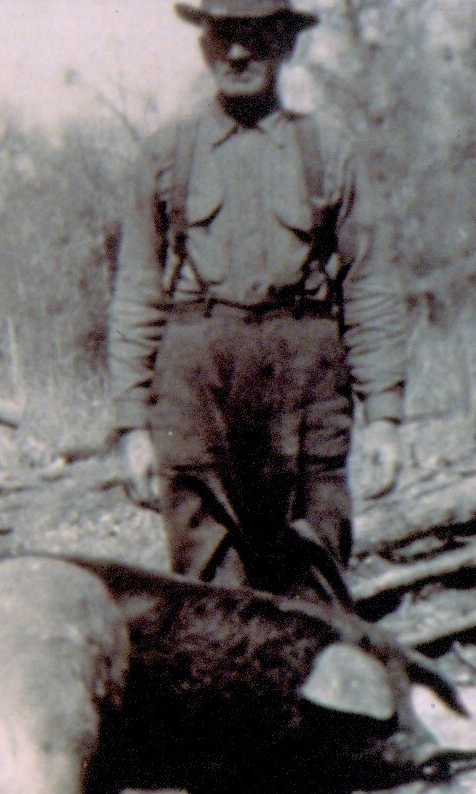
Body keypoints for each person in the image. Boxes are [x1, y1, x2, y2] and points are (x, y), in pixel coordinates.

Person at [108, 0, 406, 605]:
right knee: (207, 587)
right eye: (223, 37)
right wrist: (132, 425)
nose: (238, 54)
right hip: (195, 390)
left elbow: (369, 285)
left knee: (315, 580)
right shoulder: (167, 155)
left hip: (306, 380)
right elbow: (137, 289)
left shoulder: (329, 152)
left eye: (255, 36)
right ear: (203, 46)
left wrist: (387, 418)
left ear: (285, 44)